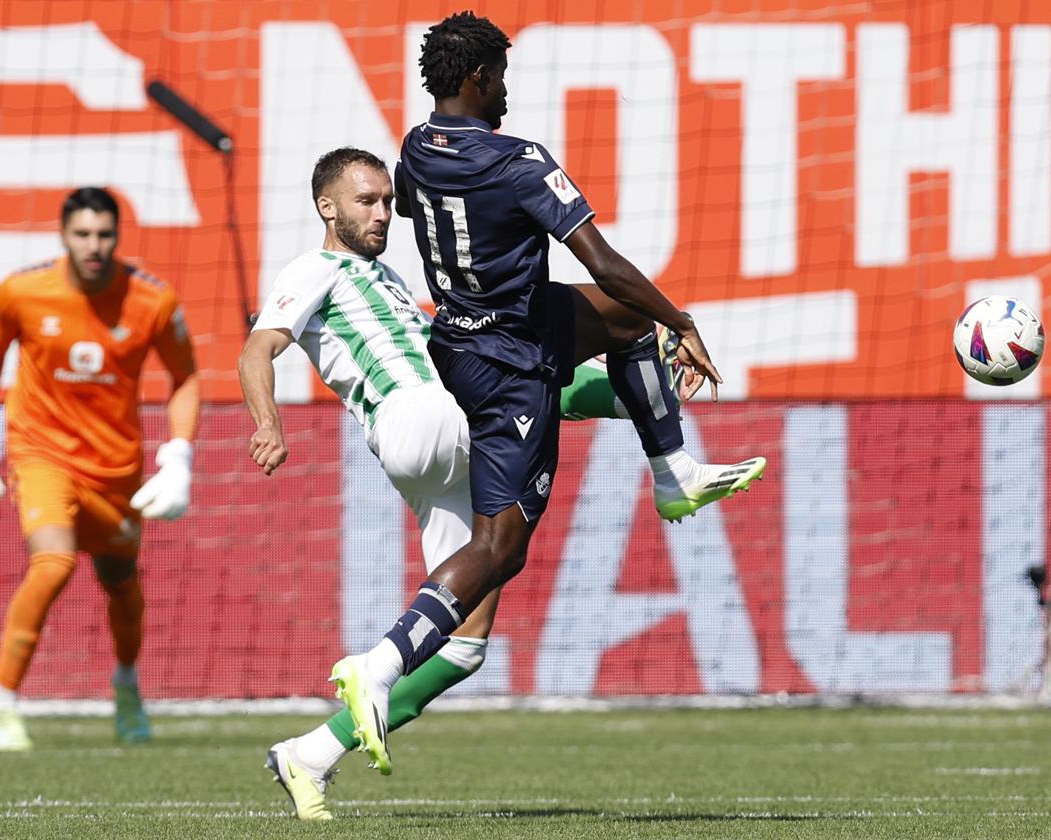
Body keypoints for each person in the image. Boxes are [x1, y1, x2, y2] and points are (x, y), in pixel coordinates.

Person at [329, 11, 766, 778]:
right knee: (499, 549)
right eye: (501, 75)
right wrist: (683, 318)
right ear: (478, 78)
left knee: (627, 323)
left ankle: (674, 473)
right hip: (512, 361)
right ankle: (384, 662)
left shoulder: (413, 149)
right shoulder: (519, 160)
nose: (507, 89)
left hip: (466, 337)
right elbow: (602, 260)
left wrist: (651, 317)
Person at [238, 147, 684, 820]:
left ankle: (309, 753)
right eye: (366, 201)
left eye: (388, 201)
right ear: (327, 206)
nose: (383, 212)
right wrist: (268, 421)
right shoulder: (315, 267)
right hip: (419, 416)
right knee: (523, 366)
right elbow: (257, 348)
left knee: (466, 643)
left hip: (430, 453)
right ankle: (646, 403)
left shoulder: (384, 278)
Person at [0, 187, 200, 751]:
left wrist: (180, 454)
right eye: (83, 234)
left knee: (122, 587)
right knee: (54, 562)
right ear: (64, 235)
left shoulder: (153, 301)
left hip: (116, 469)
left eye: (104, 235)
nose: (94, 246)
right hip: (41, 453)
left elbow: (185, 376)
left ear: (117, 237)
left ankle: (126, 687)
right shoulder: (22, 291)